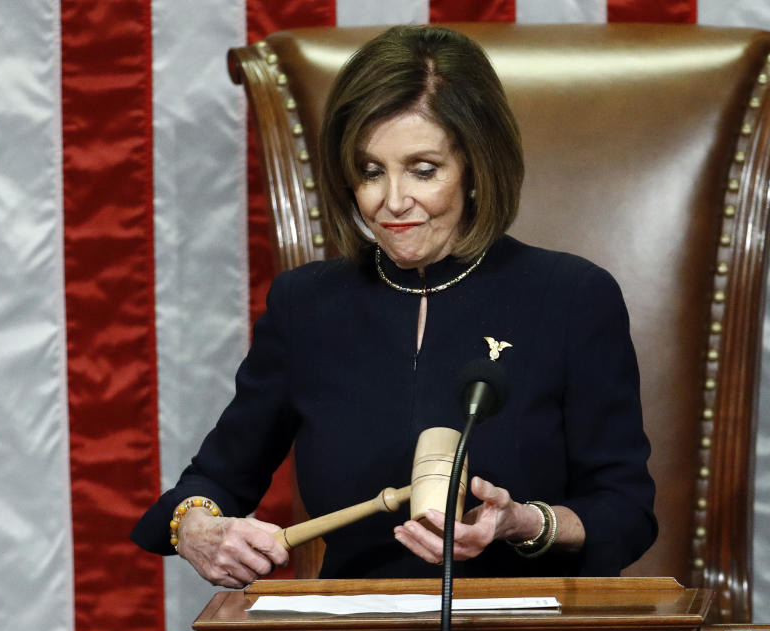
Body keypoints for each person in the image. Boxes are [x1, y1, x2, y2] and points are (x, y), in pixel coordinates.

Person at [131, 24, 657, 588]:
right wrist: (198, 529)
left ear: (478, 167)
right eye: (370, 171)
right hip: (354, 625)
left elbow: (625, 513)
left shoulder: (573, 297)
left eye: (423, 170)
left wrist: (524, 522)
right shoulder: (306, 305)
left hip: (524, 622)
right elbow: (209, 483)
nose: (394, 202)